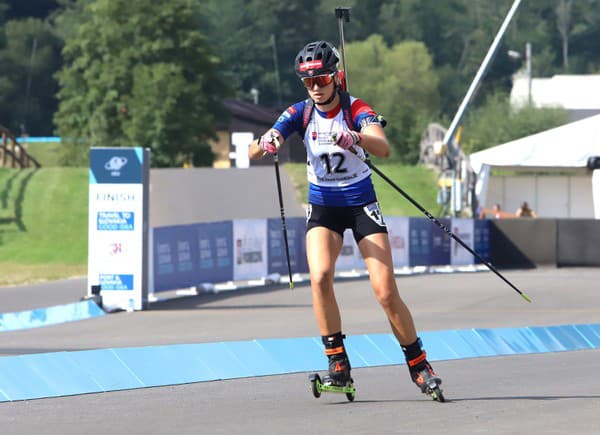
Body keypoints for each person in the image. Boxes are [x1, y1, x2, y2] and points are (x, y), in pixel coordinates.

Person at [248, 40, 442, 397]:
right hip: (323, 207)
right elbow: (253, 150)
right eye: (308, 83)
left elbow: (382, 146)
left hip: (360, 204)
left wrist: (355, 137)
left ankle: (419, 364)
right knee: (320, 276)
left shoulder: (356, 108)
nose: (316, 88)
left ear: (336, 77)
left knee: (385, 292)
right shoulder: (300, 113)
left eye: (321, 79)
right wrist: (269, 140)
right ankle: (337, 363)